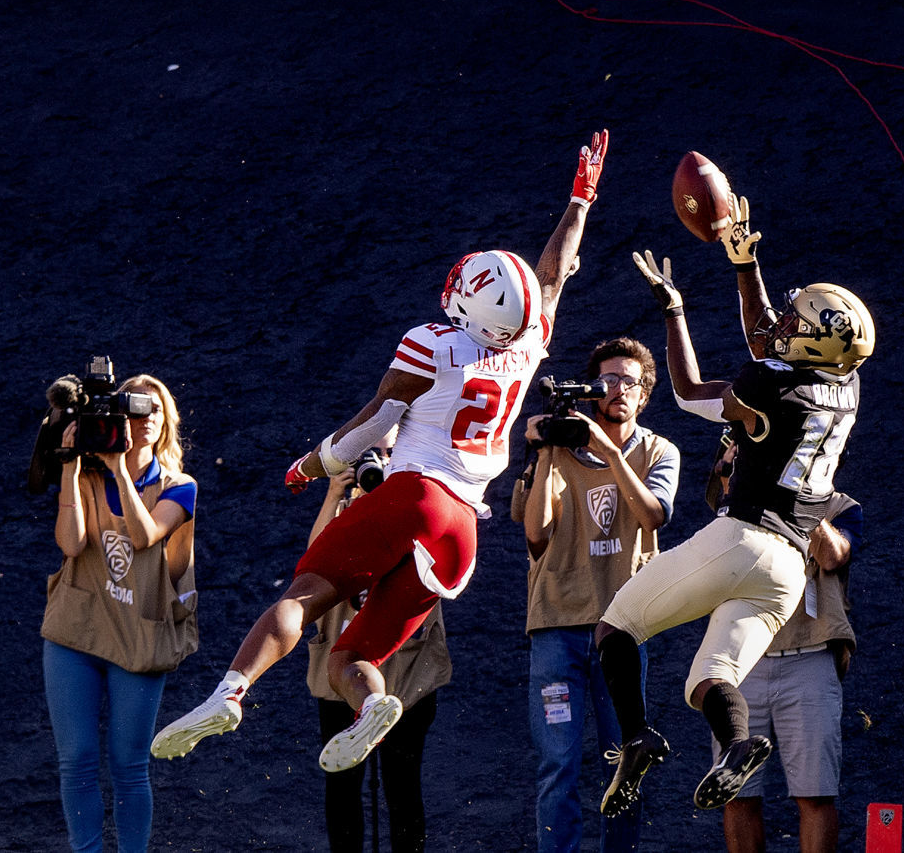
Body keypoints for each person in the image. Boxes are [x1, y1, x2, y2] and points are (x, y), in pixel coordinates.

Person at [152, 130, 608, 771]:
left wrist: (311, 464)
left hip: (416, 495)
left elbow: (371, 425)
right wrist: (581, 201)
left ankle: (230, 692)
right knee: (352, 660)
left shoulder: (434, 345)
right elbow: (555, 274)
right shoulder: (529, 343)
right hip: (463, 536)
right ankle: (371, 708)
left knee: (305, 593)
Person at [598, 196, 874, 816]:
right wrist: (746, 269)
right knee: (711, 679)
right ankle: (737, 745)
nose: (789, 323)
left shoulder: (768, 385)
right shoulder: (845, 385)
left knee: (617, 627)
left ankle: (637, 736)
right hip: (788, 568)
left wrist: (693, 302)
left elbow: (706, 381)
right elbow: (778, 341)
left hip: (743, 537)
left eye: (799, 322)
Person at [511, 336, 681, 853]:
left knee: (625, 761)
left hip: (623, 630)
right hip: (555, 627)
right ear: (590, 393)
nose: (617, 391)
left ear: (644, 395)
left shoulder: (658, 451)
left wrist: (607, 452)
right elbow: (535, 533)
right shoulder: (559, 453)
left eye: (629, 382)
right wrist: (543, 455)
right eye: (606, 381)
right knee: (557, 766)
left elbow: (653, 515)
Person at [41, 373, 198, 853]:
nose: (145, 418)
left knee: (129, 763)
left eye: (154, 410)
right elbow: (71, 544)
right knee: (78, 761)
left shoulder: (180, 485)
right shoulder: (87, 477)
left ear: (166, 422)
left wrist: (119, 469)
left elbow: (144, 535)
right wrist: (70, 467)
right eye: (134, 409)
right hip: (76, 633)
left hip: (140, 635)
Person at [306, 453, 450, 853]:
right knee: (341, 783)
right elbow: (312, 563)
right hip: (339, 666)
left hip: (407, 669)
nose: (379, 465)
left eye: (390, 454)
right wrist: (336, 492)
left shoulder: (427, 498)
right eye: (369, 456)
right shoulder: (343, 509)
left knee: (403, 784)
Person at [718, 468, 861, 853]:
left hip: (809, 657)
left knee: (815, 794)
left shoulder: (841, 506)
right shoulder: (732, 498)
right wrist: (737, 474)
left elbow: (832, 558)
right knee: (737, 792)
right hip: (740, 660)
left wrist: (796, 495)